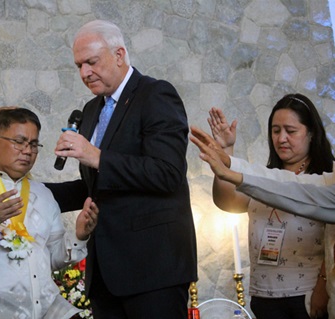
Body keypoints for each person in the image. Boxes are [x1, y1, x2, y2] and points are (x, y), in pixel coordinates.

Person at [45, 20, 197, 318]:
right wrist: (32, 191)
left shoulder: (156, 95)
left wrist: (97, 157)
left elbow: (167, 172)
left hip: (154, 271)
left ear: (119, 54)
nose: (84, 73)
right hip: (105, 275)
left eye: (91, 62)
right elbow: (98, 186)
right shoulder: (92, 110)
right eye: (78, 66)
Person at [0, 108, 99, 319]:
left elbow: (52, 259)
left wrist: (79, 236)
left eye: (33, 144)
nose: (27, 151)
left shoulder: (42, 194)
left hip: (46, 307)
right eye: (19, 141)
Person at [205, 94, 333, 319]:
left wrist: (322, 288)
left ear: (311, 133)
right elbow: (226, 201)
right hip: (263, 295)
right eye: (275, 131)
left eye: (290, 131)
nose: (281, 138)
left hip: (306, 294)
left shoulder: (326, 179)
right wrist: (226, 151)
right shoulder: (260, 178)